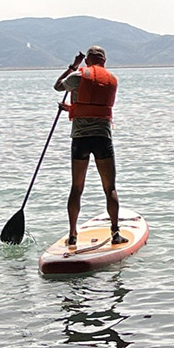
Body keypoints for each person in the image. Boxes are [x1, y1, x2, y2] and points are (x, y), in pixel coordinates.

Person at [53, 45, 127, 248]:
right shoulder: (112, 79)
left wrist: (72, 67)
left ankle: (72, 234)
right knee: (109, 187)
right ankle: (115, 232)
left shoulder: (78, 75)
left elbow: (58, 87)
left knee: (76, 187)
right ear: (104, 61)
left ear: (87, 61)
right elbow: (96, 106)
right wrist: (72, 108)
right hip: (103, 138)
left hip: (80, 139)